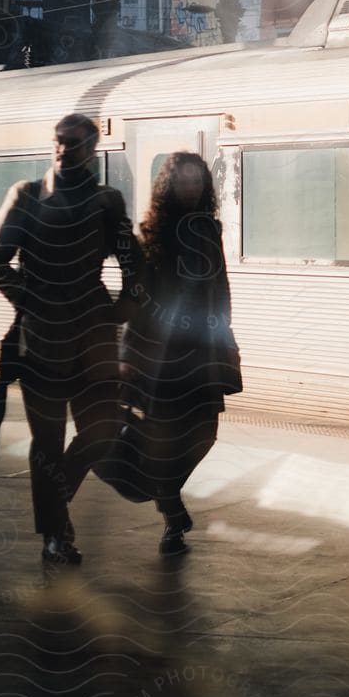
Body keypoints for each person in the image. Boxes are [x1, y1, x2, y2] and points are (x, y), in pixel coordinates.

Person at [0, 113, 139, 567]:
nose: (63, 150)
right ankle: (55, 534)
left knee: (103, 431)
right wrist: (32, 302)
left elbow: (132, 264)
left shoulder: (108, 200)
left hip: (93, 337)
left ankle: (55, 507)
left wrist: (123, 309)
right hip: (40, 341)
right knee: (46, 442)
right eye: (58, 141)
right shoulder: (26, 196)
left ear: (92, 148)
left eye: (73, 143)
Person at [124, 151, 239, 556]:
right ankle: (172, 516)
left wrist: (225, 335)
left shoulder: (209, 229)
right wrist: (130, 352)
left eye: (197, 183)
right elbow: (138, 296)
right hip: (162, 351)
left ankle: (167, 496)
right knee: (163, 437)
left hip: (204, 348)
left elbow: (220, 287)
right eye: (184, 182)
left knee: (205, 434)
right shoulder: (152, 233)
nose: (191, 189)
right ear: (169, 187)